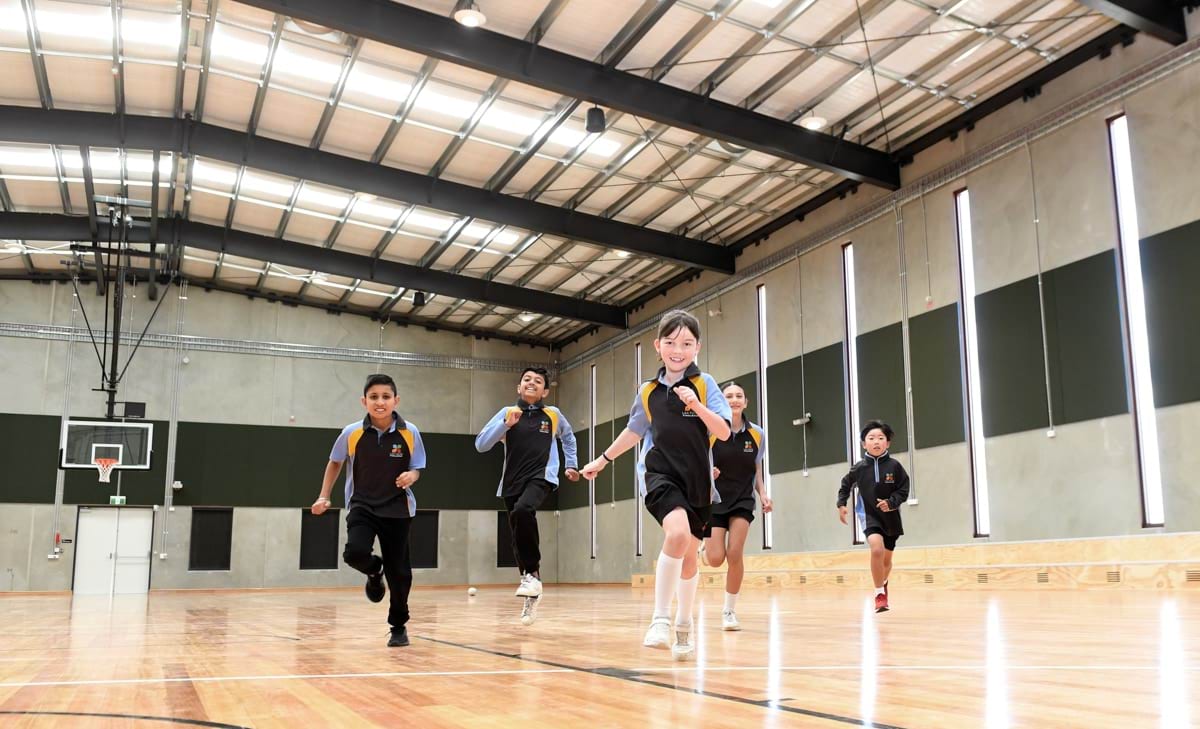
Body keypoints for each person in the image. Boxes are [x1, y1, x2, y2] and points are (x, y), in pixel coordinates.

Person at [581, 309, 731, 660]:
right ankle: (659, 619)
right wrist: (602, 460)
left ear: (697, 348)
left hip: (698, 480)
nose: (678, 349)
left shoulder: (704, 384)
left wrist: (696, 405)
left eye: (686, 343)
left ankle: (683, 624)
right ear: (657, 346)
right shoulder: (647, 391)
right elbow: (635, 432)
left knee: (690, 558)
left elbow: (723, 431)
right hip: (659, 472)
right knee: (676, 534)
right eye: (670, 342)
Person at [312, 373, 426, 646]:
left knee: (400, 573)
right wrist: (323, 495)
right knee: (355, 553)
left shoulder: (410, 432)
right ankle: (375, 572)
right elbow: (335, 462)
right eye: (374, 397)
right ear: (364, 401)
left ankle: (398, 626)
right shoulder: (351, 433)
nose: (380, 402)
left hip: (398, 509)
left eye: (386, 397)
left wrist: (412, 476)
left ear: (395, 400)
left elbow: (418, 466)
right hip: (362, 505)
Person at [476, 366, 579, 625]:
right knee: (516, 538)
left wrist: (571, 464)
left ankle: (532, 573)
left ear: (545, 390)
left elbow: (568, 438)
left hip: (542, 477)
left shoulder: (552, 415)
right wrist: (505, 425)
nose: (531, 383)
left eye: (538, 381)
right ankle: (531, 590)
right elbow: (481, 445)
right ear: (519, 387)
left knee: (524, 510)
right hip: (511, 482)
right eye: (527, 379)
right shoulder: (507, 413)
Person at [700, 381, 771, 631]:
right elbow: (698, 464)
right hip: (714, 499)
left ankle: (729, 610)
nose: (734, 400)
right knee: (716, 559)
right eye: (728, 396)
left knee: (735, 553)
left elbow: (757, 468)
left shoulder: (757, 434)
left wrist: (763, 494)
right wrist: (709, 473)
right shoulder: (710, 431)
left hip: (742, 499)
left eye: (739, 395)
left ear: (746, 402)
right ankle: (706, 550)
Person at [837, 420, 909, 613]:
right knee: (876, 549)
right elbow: (845, 485)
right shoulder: (859, 468)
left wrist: (891, 502)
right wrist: (841, 504)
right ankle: (879, 594)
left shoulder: (895, 466)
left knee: (886, 560)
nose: (876, 441)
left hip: (891, 518)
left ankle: (883, 582)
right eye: (871, 438)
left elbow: (904, 490)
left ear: (888, 443)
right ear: (863, 444)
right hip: (869, 515)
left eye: (880, 438)